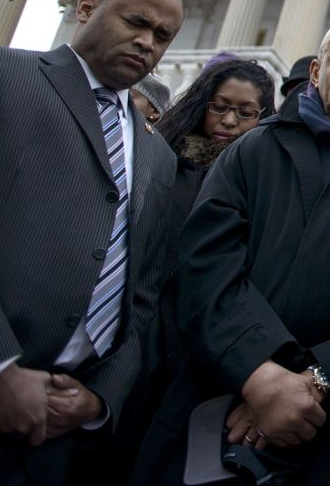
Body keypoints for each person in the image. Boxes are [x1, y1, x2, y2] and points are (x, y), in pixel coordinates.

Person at [130, 15, 330, 485]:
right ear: (316, 72)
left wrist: (320, 381)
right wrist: (258, 374)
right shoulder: (253, 149)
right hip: (218, 398)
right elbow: (205, 265)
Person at [0, 0, 184, 485]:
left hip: (61, 433)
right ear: (86, 9)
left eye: (162, 36)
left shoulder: (158, 153)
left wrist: (101, 395)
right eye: (136, 22)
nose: (146, 42)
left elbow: (143, 291)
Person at [111, 59, 276, 480]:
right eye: (220, 107)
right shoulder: (161, 160)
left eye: (246, 112)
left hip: (199, 348)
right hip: (136, 330)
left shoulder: (256, 182)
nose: (229, 121)